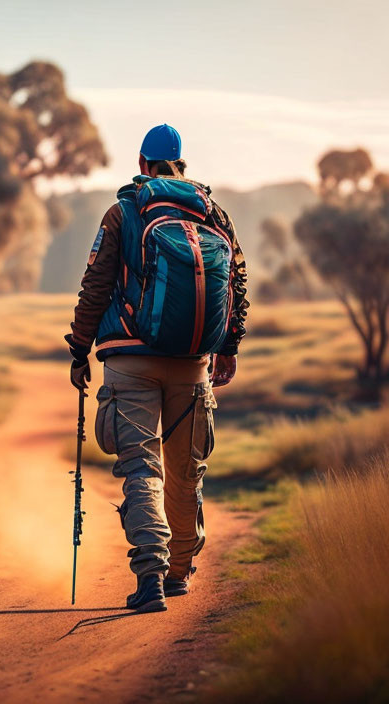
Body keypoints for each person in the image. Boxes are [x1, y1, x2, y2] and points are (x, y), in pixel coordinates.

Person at [65, 124, 249, 613]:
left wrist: (80, 348)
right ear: (182, 163)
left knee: (141, 468)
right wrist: (227, 346)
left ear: (143, 163)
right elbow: (238, 281)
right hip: (192, 364)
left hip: (130, 361)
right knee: (186, 472)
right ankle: (179, 574)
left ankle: (149, 576)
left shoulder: (124, 211)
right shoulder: (214, 216)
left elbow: (96, 284)